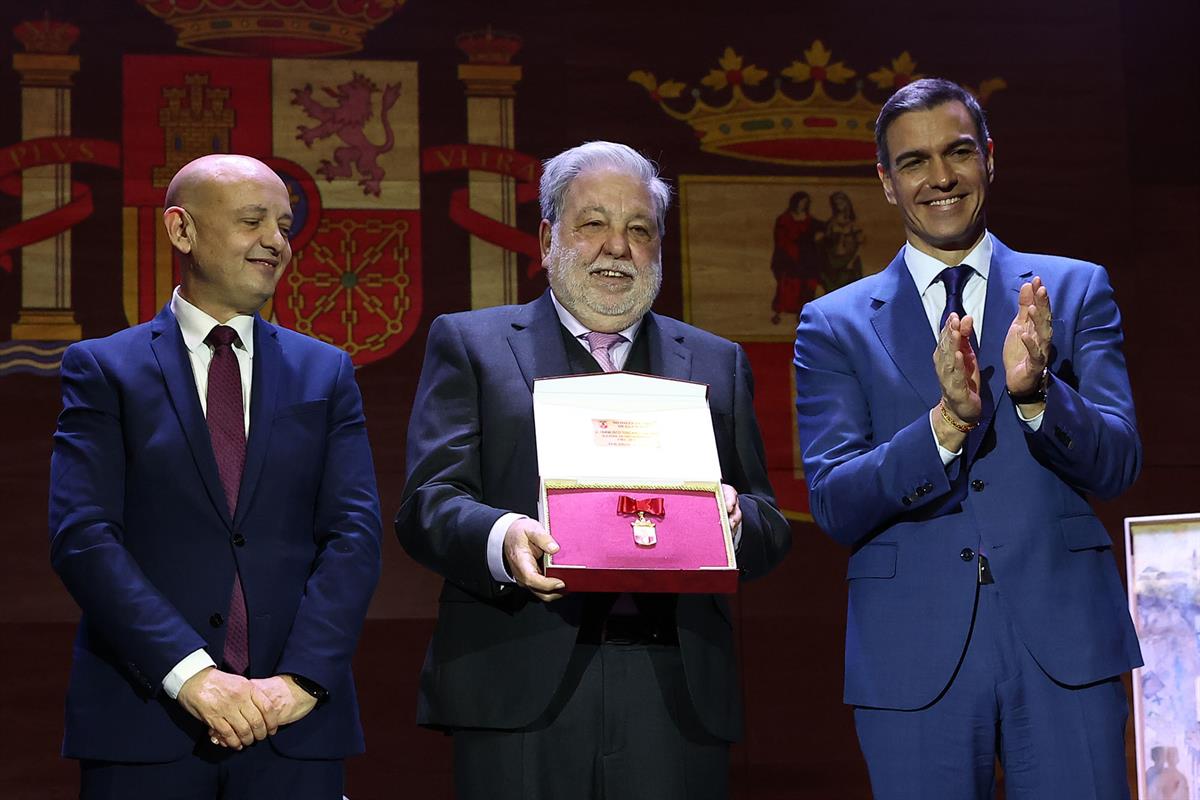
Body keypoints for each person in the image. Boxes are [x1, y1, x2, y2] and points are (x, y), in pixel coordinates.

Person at [396, 140, 791, 799]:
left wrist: (734, 522)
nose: (618, 247)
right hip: (517, 680)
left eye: (640, 229)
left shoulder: (716, 363)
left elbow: (769, 518)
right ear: (548, 236)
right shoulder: (471, 344)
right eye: (594, 224)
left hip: (677, 695)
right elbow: (428, 503)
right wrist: (505, 540)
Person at [792, 78, 1142, 798]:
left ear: (989, 158)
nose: (941, 177)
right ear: (886, 183)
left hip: (1065, 638)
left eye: (958, 153)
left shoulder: (1074, 291)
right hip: (912, 649)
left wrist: (1040, 393)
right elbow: (834, 502)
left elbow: (1119, 464)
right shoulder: (834, 324)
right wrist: (944, 425)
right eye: (914, 162)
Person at [49, 154, 382, 799]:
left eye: (283, 226)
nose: (275, 242)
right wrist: (191, 675)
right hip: (145, 720)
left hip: (293, 723)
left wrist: (300, 682)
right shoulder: (102, 370)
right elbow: (84, 537)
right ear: (181, 231)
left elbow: (354, 535)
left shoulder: (327, 372)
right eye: (252, 221)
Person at [769, 190, 823, 323]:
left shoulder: (809, 220)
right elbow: (782, 239)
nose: (802, 206)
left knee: (807, 285)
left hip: (806, 259)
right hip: (789, 258)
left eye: (805, 203)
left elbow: (819, 228)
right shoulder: (784, 219)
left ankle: (802, 313)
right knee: (788, 286)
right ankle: (779, 313)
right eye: (801, 203)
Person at [819, 190, 864, 292]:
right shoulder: (831, 222)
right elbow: (826, 242)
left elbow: (860, 244)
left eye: (840, 202)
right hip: (833, 262)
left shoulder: (853, 223)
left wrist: (851, 262)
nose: (838, 205)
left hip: (849, 262)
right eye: (836, 203)